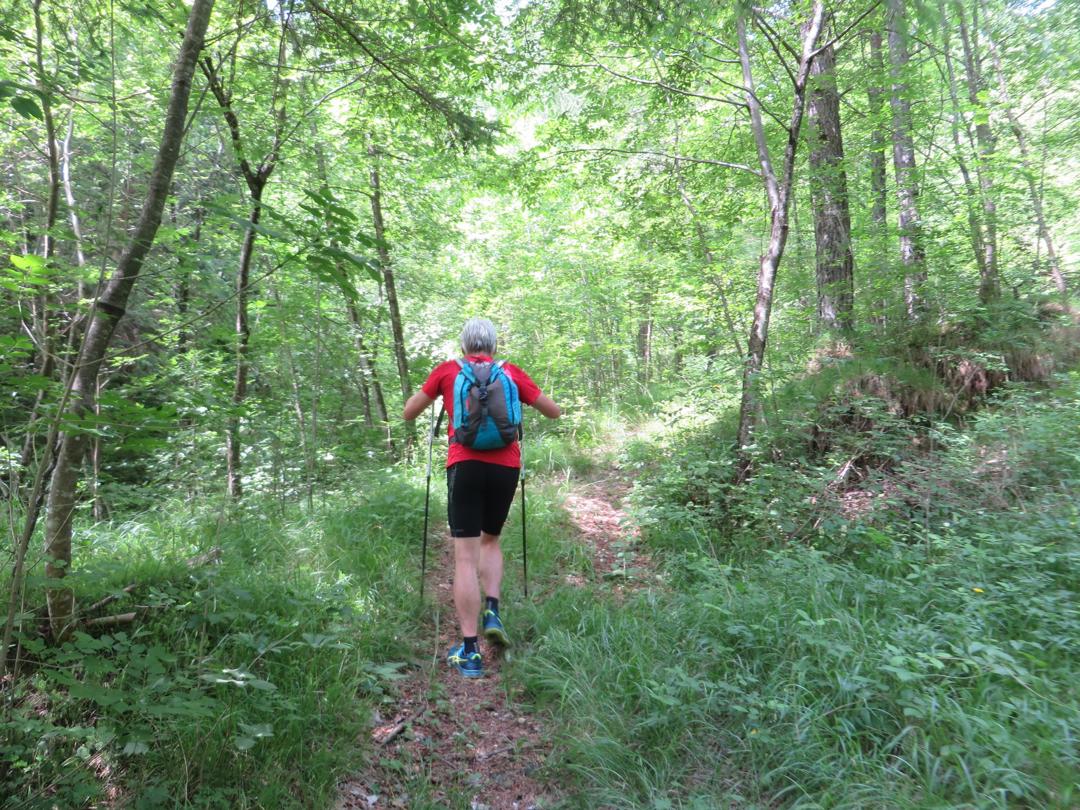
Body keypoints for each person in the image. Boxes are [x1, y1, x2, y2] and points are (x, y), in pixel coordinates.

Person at [403, 318, 561, 678]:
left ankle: (471, 653)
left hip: (464, 466)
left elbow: (409, 412)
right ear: (493, 345)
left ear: (463, 345)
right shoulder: (510, 372)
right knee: (491, 541)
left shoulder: (447, 371)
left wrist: (438, 393)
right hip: (506, 467)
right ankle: (492, 609)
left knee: (464, 556)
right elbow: (553, 411)